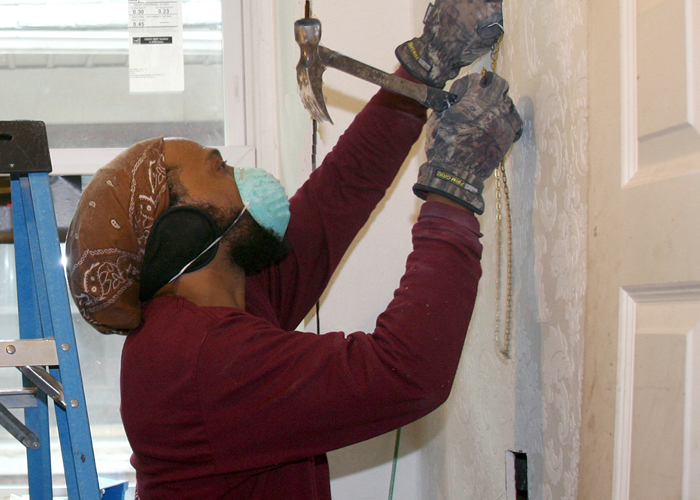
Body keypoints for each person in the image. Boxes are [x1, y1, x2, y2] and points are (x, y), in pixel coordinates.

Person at [65, 2, 521, 499]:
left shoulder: (224, 299)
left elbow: (336, 198)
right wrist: (451, 187)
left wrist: (422, 65)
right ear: (183, 230)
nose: (244, 178)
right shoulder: (197, 357)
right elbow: (406, 373)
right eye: (220, 170)